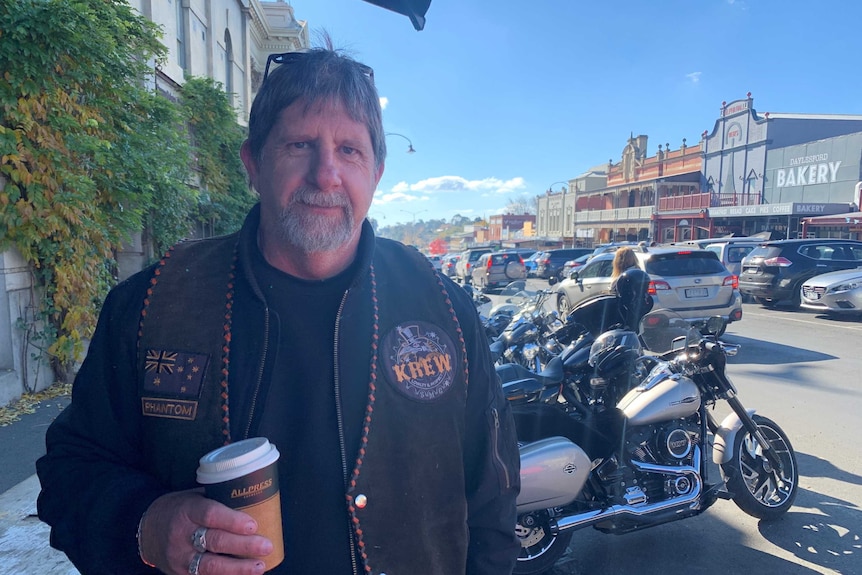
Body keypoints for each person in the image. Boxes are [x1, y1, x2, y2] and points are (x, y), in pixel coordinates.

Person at [36, 47, 520, 575]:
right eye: (300, 144)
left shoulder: (444, 308)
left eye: (350, 150)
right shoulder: (151, 305)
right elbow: (70, 469)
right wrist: (145, 523)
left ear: (376, 174)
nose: (326, 173)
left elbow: (492, 502)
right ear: (253, 163)